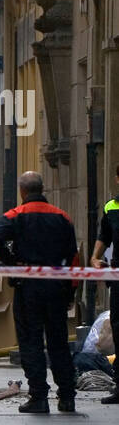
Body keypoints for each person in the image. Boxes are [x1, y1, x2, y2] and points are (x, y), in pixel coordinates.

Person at [0, 171, 78, 414]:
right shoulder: (62, 217)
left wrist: (9, 261)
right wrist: (71, 291)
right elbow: (74, 257)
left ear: (22, 192)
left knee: (31, 341)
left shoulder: (15, 215)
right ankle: (67, 397)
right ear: (43, 189)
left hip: (28, 287)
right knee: (58, 341)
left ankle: (39, 397)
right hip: (56, 286)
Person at [89, 164, 119, 405]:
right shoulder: (111, 207)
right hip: (118, 276)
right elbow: (104, 237)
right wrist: (95, 257)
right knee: (118, 327)